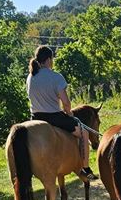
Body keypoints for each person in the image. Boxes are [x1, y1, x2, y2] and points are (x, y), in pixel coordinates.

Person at [26, 45, 97, 179]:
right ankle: (86, 169)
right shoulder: (56, 77)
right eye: (51, 59)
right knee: (84, 133)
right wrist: (69, 113)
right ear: (48, 59)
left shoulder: (30, 77)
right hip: (54, 117)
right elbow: (66, 103)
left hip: (35, 118)